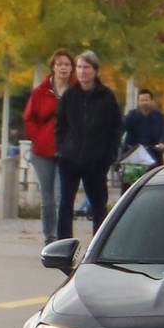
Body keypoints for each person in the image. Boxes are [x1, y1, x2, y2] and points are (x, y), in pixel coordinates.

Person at [53, 50, 122, 243]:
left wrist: (109, 155)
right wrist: (61, 149)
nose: (82, 71)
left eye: (86, 67)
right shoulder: (70, 95)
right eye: (80, 67)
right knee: (65, 204)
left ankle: (99, 245)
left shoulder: (106, 97)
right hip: (70, 158)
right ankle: (63, 243)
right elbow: (60, 124)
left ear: (95, 70)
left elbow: (115, 127)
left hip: (96, 160)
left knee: (98, 204)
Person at [24, 51, 74, 240]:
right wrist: (36, 137)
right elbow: (29, 118)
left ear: (72, 68)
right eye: (59, 64)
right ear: (53, 67)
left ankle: (62, 236)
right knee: (48, 198)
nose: (63, 68)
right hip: (42, 151)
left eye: (67, 64)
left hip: (68, 151)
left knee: (62, 196)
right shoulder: (41, 91)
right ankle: (50, 236)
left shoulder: (77, 91)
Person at [122, 89, 164, 165]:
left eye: (147, 100)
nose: (144, 103)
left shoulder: (158, 116)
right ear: (138, 102)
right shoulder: (131, 115)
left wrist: (162, 142)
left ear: (151, 101)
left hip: (153, 150)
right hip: (134, 151)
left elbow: (163, 131)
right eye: (142, 100)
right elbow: (122, 128)